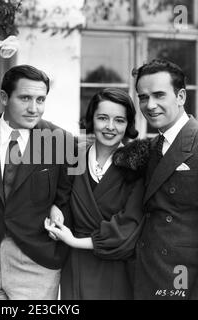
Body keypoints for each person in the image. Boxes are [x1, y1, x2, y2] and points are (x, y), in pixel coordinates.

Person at [0, 65, 74, 300]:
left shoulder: (60, 141)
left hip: (36, 262)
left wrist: (58, 209)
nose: (34, 108)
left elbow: (68, 195)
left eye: (40, 99)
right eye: (25, 98)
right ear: (4, 97)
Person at [132, 59, 198, 300]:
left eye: (159, 95)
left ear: (180, 97)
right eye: (143, 97)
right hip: (149, 278)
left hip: (185, 285)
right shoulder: (154, 146)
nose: (150, 105)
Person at [45, 88, 147, 300]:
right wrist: (55, 209)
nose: (110, 127)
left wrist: (74, 241)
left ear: (128, 124)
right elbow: (60, 195)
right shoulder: (73, 157)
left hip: (116, 268)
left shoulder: (138, 166)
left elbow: (128, 227)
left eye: (119, 120)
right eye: (103, 118)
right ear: (91, 119)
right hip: (74, 265)